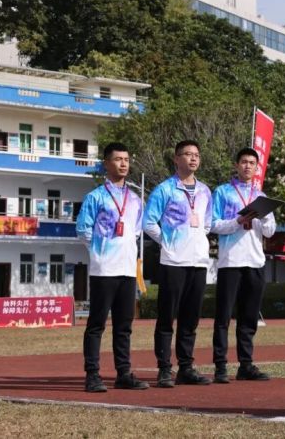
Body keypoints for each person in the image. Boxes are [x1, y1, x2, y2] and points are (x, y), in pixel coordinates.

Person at [77, 142, 149, 392]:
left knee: (124, 326)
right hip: (104, 270)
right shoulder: (95, 197)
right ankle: (92, 375)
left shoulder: (136, 199)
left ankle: (124, 373)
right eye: (118, 159)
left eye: (126, 159)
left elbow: (136, 231)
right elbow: (83, 230)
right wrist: (100, 252)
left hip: (127, 271)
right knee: (96, 325)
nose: (123, 164)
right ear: (106, 163)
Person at [144, 140, 213, 388]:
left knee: (190, 318)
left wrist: (197, 241)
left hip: (198, 262)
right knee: (167, 317)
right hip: (173, 261)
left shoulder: (205, 191)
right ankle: (164, 368)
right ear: (176, 158)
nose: (193, 158)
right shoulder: (165, 189)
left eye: (196, 155)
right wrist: (169, 241)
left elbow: (207, 223)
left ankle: (186, 367)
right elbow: (148, 222)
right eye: (187, 154)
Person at [211, 147, 276, 383]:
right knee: (223, 316)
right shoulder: (222, 192)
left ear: (257, 167)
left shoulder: (261, 196)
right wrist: (237, 221)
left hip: (255, 261)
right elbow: (213, 224)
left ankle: (245, 364)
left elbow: (270, 231)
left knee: (249, 317)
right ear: (236, 165)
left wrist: (264, 216)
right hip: (230, 261)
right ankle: (220, 365)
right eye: (244, 162)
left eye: (252, 163)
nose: (248, 166)